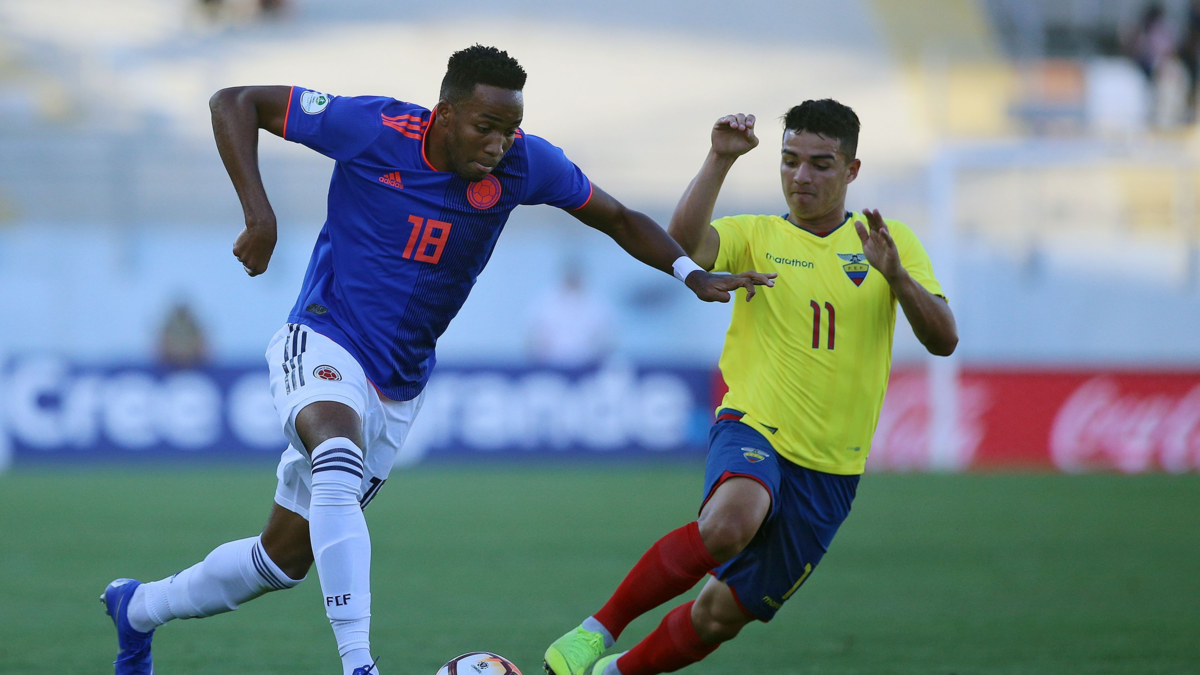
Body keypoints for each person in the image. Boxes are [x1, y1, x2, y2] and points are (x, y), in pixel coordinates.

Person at [99, 45, 773, 675]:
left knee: (281, 560)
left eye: (510, 130)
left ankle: (139, 608)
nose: (499, 144)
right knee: (337, 457)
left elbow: (618, 216)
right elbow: (234, 101)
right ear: (444, 115)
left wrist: (689, 271)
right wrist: (260, 215)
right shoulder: (373, 128)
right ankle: (359, 664)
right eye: (485, 127)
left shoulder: (524, 164)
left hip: (398, 385)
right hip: (325, 336)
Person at [543, 100, 957, 675]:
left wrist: (898, 277)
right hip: (754, 426)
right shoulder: (757, 234)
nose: (800, 176)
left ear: (852, 170)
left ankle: (613, 672)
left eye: (820, 164)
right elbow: (682, 246)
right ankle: (594, 632)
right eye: (789, 161)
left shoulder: (888, 243)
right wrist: (719, 159)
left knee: (717, 616)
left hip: (832, 471)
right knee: (731, 522)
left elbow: (943, 340)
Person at [526, 263, 615, 367]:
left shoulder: (597, 303)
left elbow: (609, 338)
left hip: (588, 365)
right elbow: (531, 336)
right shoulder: (544, 302)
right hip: (551, 364)